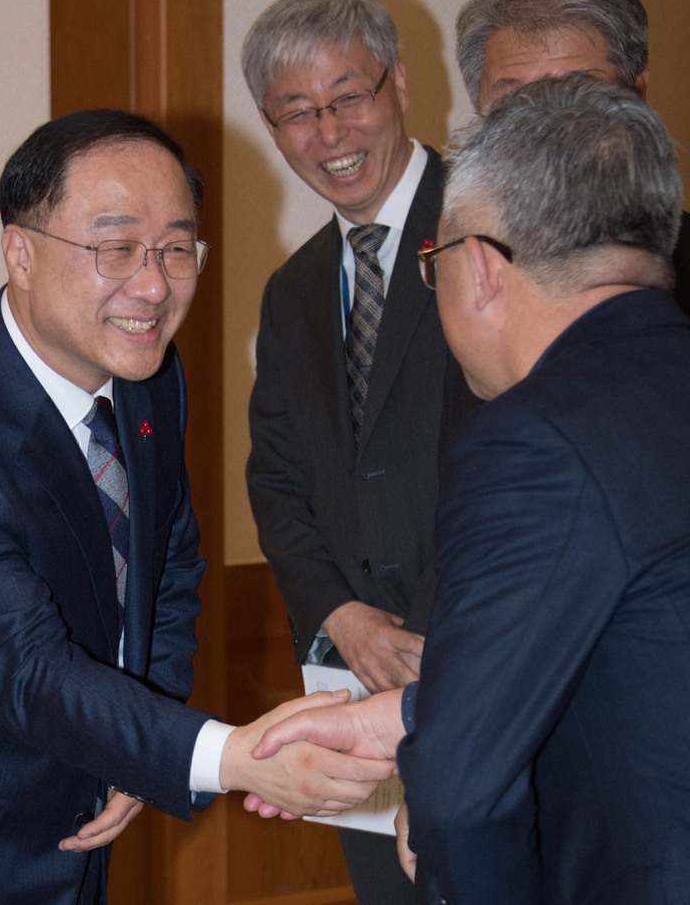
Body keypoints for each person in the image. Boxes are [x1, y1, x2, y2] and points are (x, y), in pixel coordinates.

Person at [0, 108, 394, 905]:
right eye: (117, 248)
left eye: (175, 249)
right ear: (19, 253)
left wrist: (142, 743)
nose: (154, 285)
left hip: (89, 800)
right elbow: (31, 672)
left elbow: (171, 559)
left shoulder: (149, 371)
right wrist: (225, 757)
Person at [251, 73, 690, 904]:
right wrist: (409, 714)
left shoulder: (535, 437)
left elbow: (461, 788)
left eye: (435, 262)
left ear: (480, 267)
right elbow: (617, 653)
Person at [241, 0, 476, 903]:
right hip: (347, 687)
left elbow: (532, 457)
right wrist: (341, 614)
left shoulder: (492, 225)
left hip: (489, 664)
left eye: (348, 97)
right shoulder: (292, 291)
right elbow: (277, 481)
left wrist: (431, 634)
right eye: (298, 112)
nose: (330, 133)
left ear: (400, 83)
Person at [455, 0, 690, 313]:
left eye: (578, 96)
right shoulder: (448, 281)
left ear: (637, 95)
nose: (547, 130)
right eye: (514, 104)